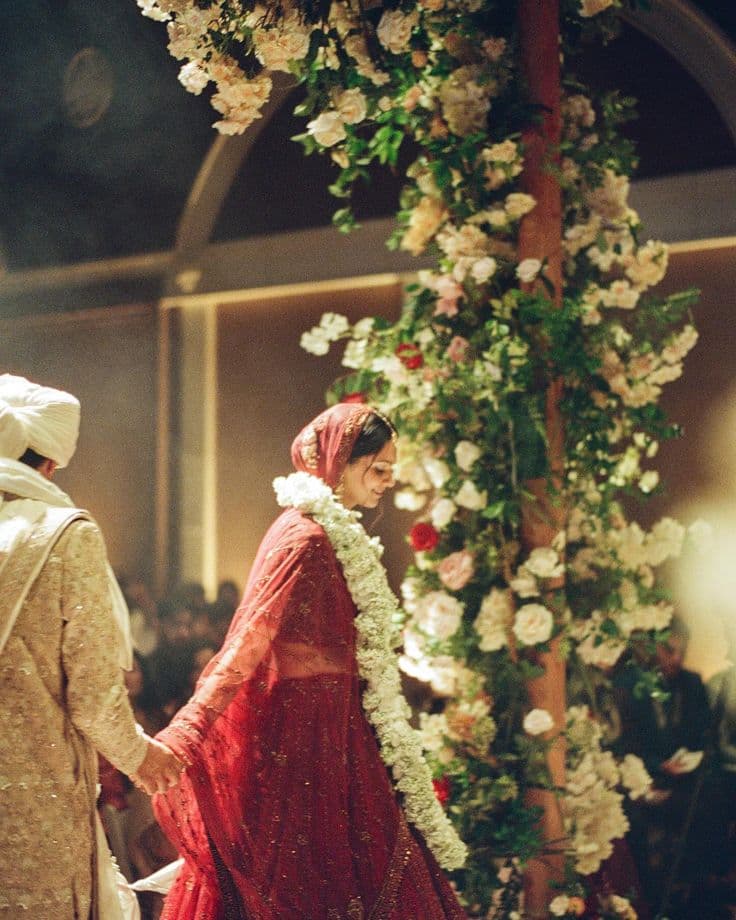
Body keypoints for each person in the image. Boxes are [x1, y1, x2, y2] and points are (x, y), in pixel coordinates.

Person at [153, 402, 467, 919]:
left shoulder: (319, 532)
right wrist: (188, 732)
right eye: (379, 469)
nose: (387, 482)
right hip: (303, 745)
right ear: (339, 461)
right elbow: (246, 647)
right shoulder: (308, 539)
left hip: (337, 733)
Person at [0, 373, 182, 920]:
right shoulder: (63, 533)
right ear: (50, 463)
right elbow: (94, 698)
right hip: (34, 800)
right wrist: (142, 757)